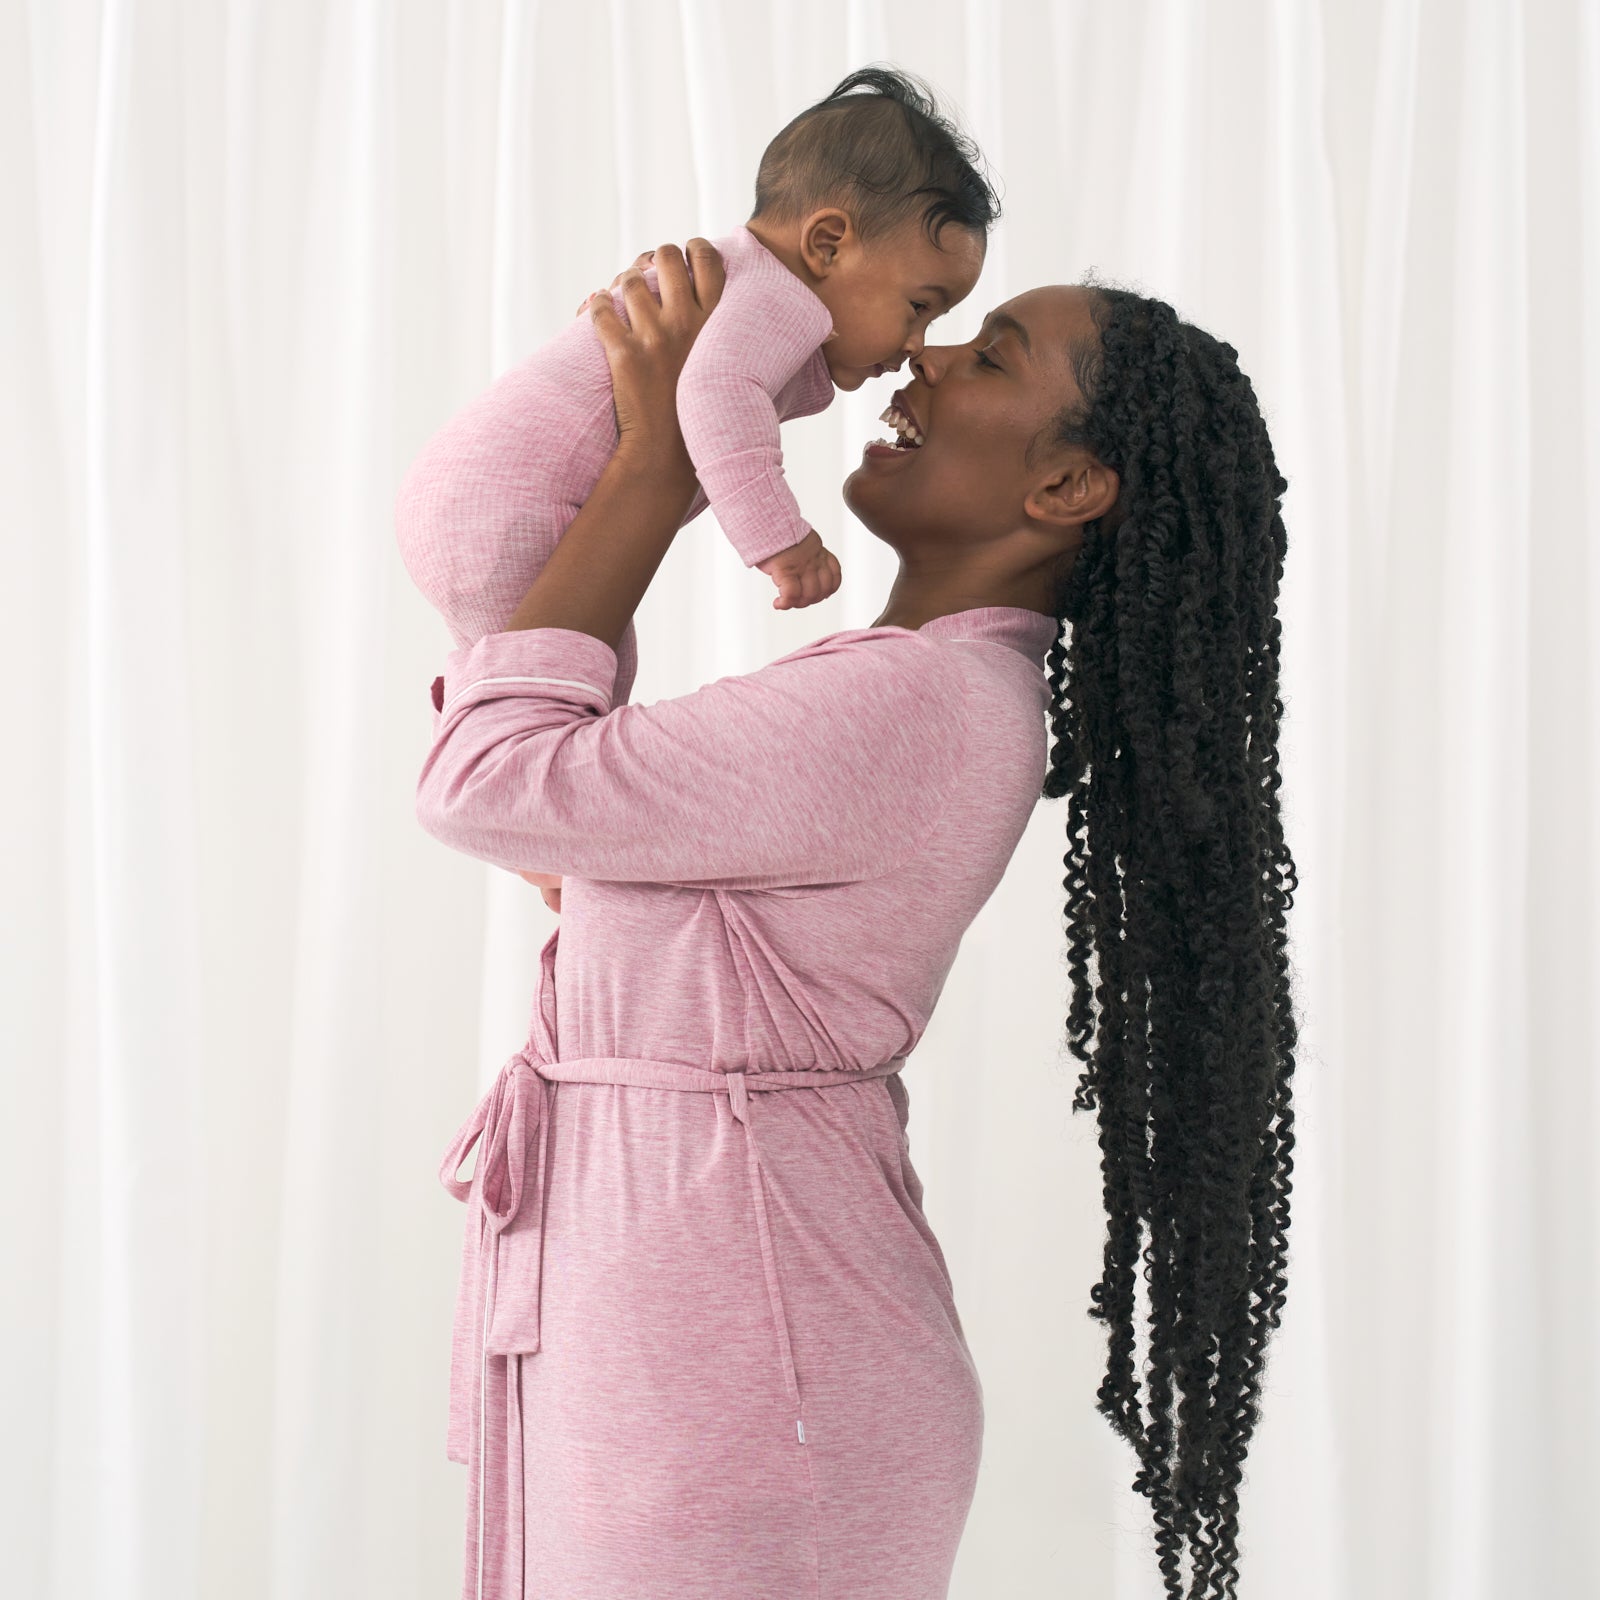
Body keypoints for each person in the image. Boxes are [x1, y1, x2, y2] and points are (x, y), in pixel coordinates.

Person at [407, 237, 1299, 1600]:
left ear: (1067, 484)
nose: (925, 355)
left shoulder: (913, 708)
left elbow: (487, 780)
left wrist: (654, 467)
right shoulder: (916, 689)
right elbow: (544, 803)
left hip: (748, 1372)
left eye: (988, 351)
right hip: (704, 1330)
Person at [394, 65, 996, 716]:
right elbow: (717, 393)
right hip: (511, 510)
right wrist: (782, 539)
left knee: (519, 693)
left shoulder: (737, 276)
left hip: (464, 497)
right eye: (919, 306)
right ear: (827, 245)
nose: (917, 343)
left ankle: (473, 732)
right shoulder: (779, 299)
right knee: (573, 702)